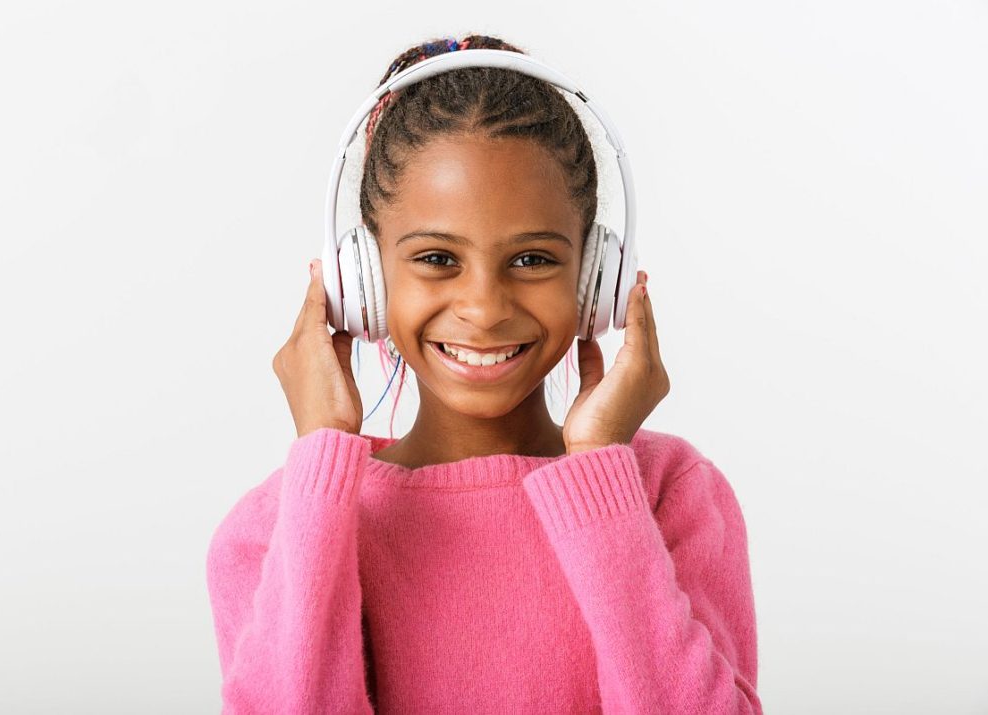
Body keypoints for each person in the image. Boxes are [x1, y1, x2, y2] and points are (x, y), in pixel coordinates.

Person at [206, 34, 763, 714]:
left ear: (598, 282)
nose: (483, 308)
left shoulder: (666, 495)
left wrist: (598, 472)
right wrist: (319, 458)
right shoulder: (275, 529)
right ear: (363, 280)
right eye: (437, 257)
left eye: (531, 259)